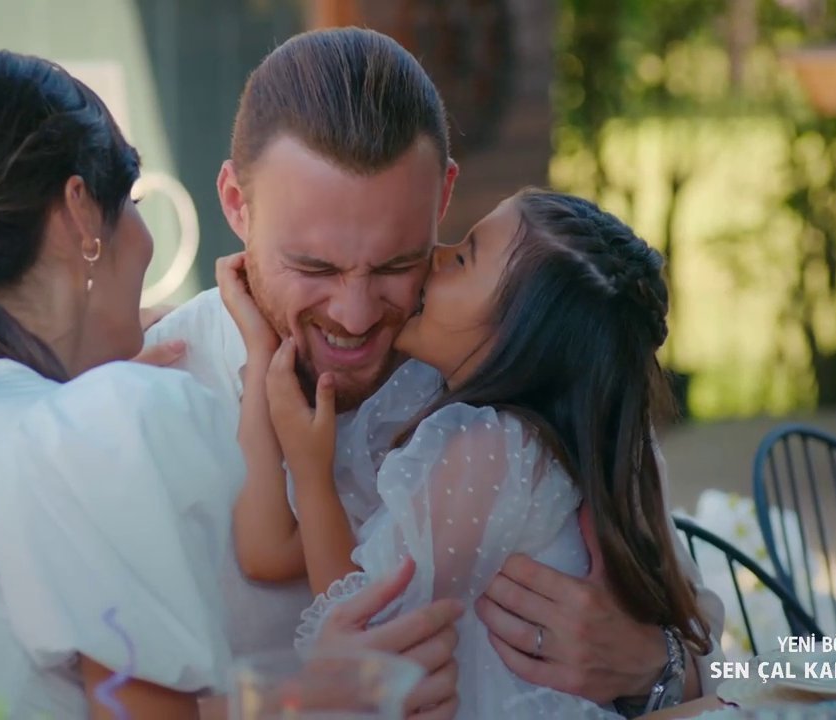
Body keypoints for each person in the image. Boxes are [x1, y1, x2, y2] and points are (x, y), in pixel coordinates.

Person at [0, 49, 459, 719]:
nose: (147, 242)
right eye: (132, 204)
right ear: (81, 215)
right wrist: (305, 697)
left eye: (395, 264)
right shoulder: (97, 435)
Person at [145, 26, 726, 717]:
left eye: (398, 263)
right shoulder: (151, 394)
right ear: (236, 204)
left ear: (444, 197)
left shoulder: (539, 378)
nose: (356, 314)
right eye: (314, 267)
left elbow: (716, 650)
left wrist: (652, 667)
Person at [221, 187, 715, 718]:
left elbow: (366, 638)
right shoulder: (557, 436)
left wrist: (311, 473)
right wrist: (259, 352)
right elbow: (271, 552)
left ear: (519, 332)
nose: (436, 256)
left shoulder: (490, 451)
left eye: (463, 258)